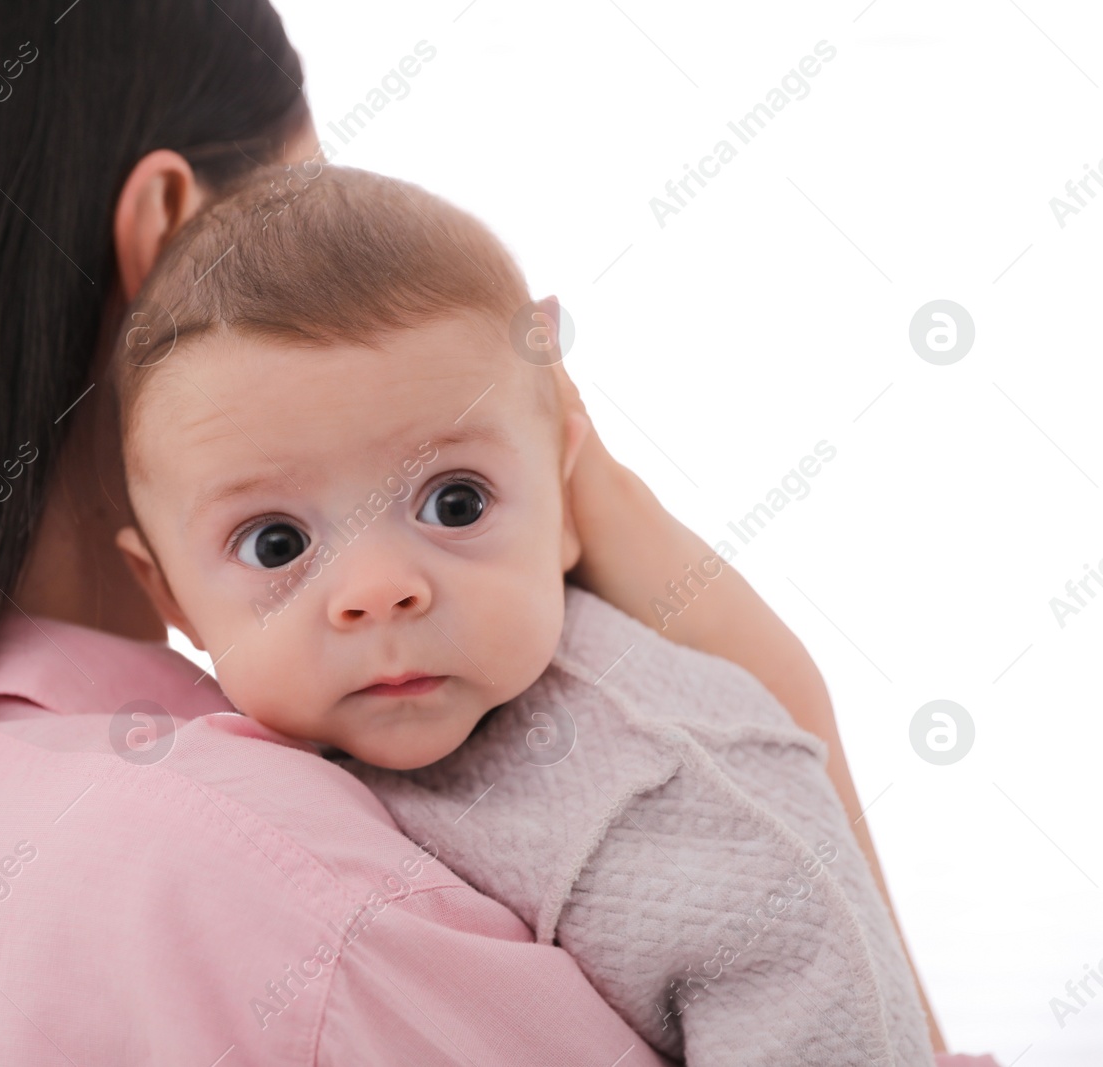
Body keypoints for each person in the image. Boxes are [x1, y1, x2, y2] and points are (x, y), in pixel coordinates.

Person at [0, 1, 934, 1064]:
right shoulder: (283, 891)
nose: (379, 585)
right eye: (301, 204)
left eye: (452, 501)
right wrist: (786, 725)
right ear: (170, 233)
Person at [100, 162, 954, 1064]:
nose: (379, 589)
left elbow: (843, 1014)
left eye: (455, 502)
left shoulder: (668, 798)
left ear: (563, 500)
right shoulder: (198, 786)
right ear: (169, 596)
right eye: (277, 544)